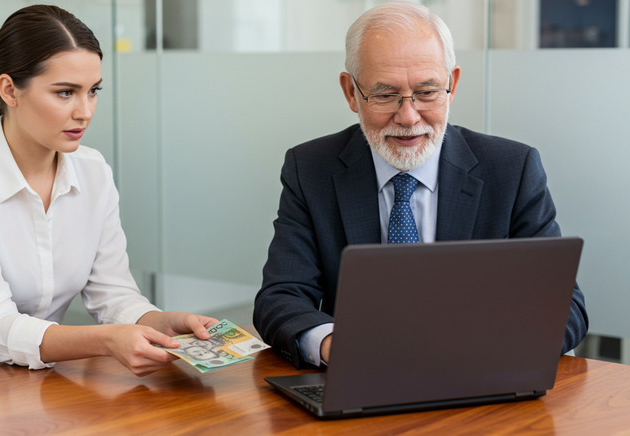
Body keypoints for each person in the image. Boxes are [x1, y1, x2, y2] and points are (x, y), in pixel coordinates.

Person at [252, 2, 588, 369]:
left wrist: (476, 349)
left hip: (480, 380)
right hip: (360, 381)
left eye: (427, 92)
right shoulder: (311, 169)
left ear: (452, 85)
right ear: (351, 93)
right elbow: (281, 297)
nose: (408, 116)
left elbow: (564, 306)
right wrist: (338, 346)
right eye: (384, 94)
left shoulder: (511, 169)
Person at [0, 5, 217, 381]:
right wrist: (107, 341)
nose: (85, 112)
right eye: (65, 93)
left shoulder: (93, 170)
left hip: (44, 372)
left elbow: (113, 297)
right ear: (9, 90)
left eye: (93, 91)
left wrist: (166, 323)